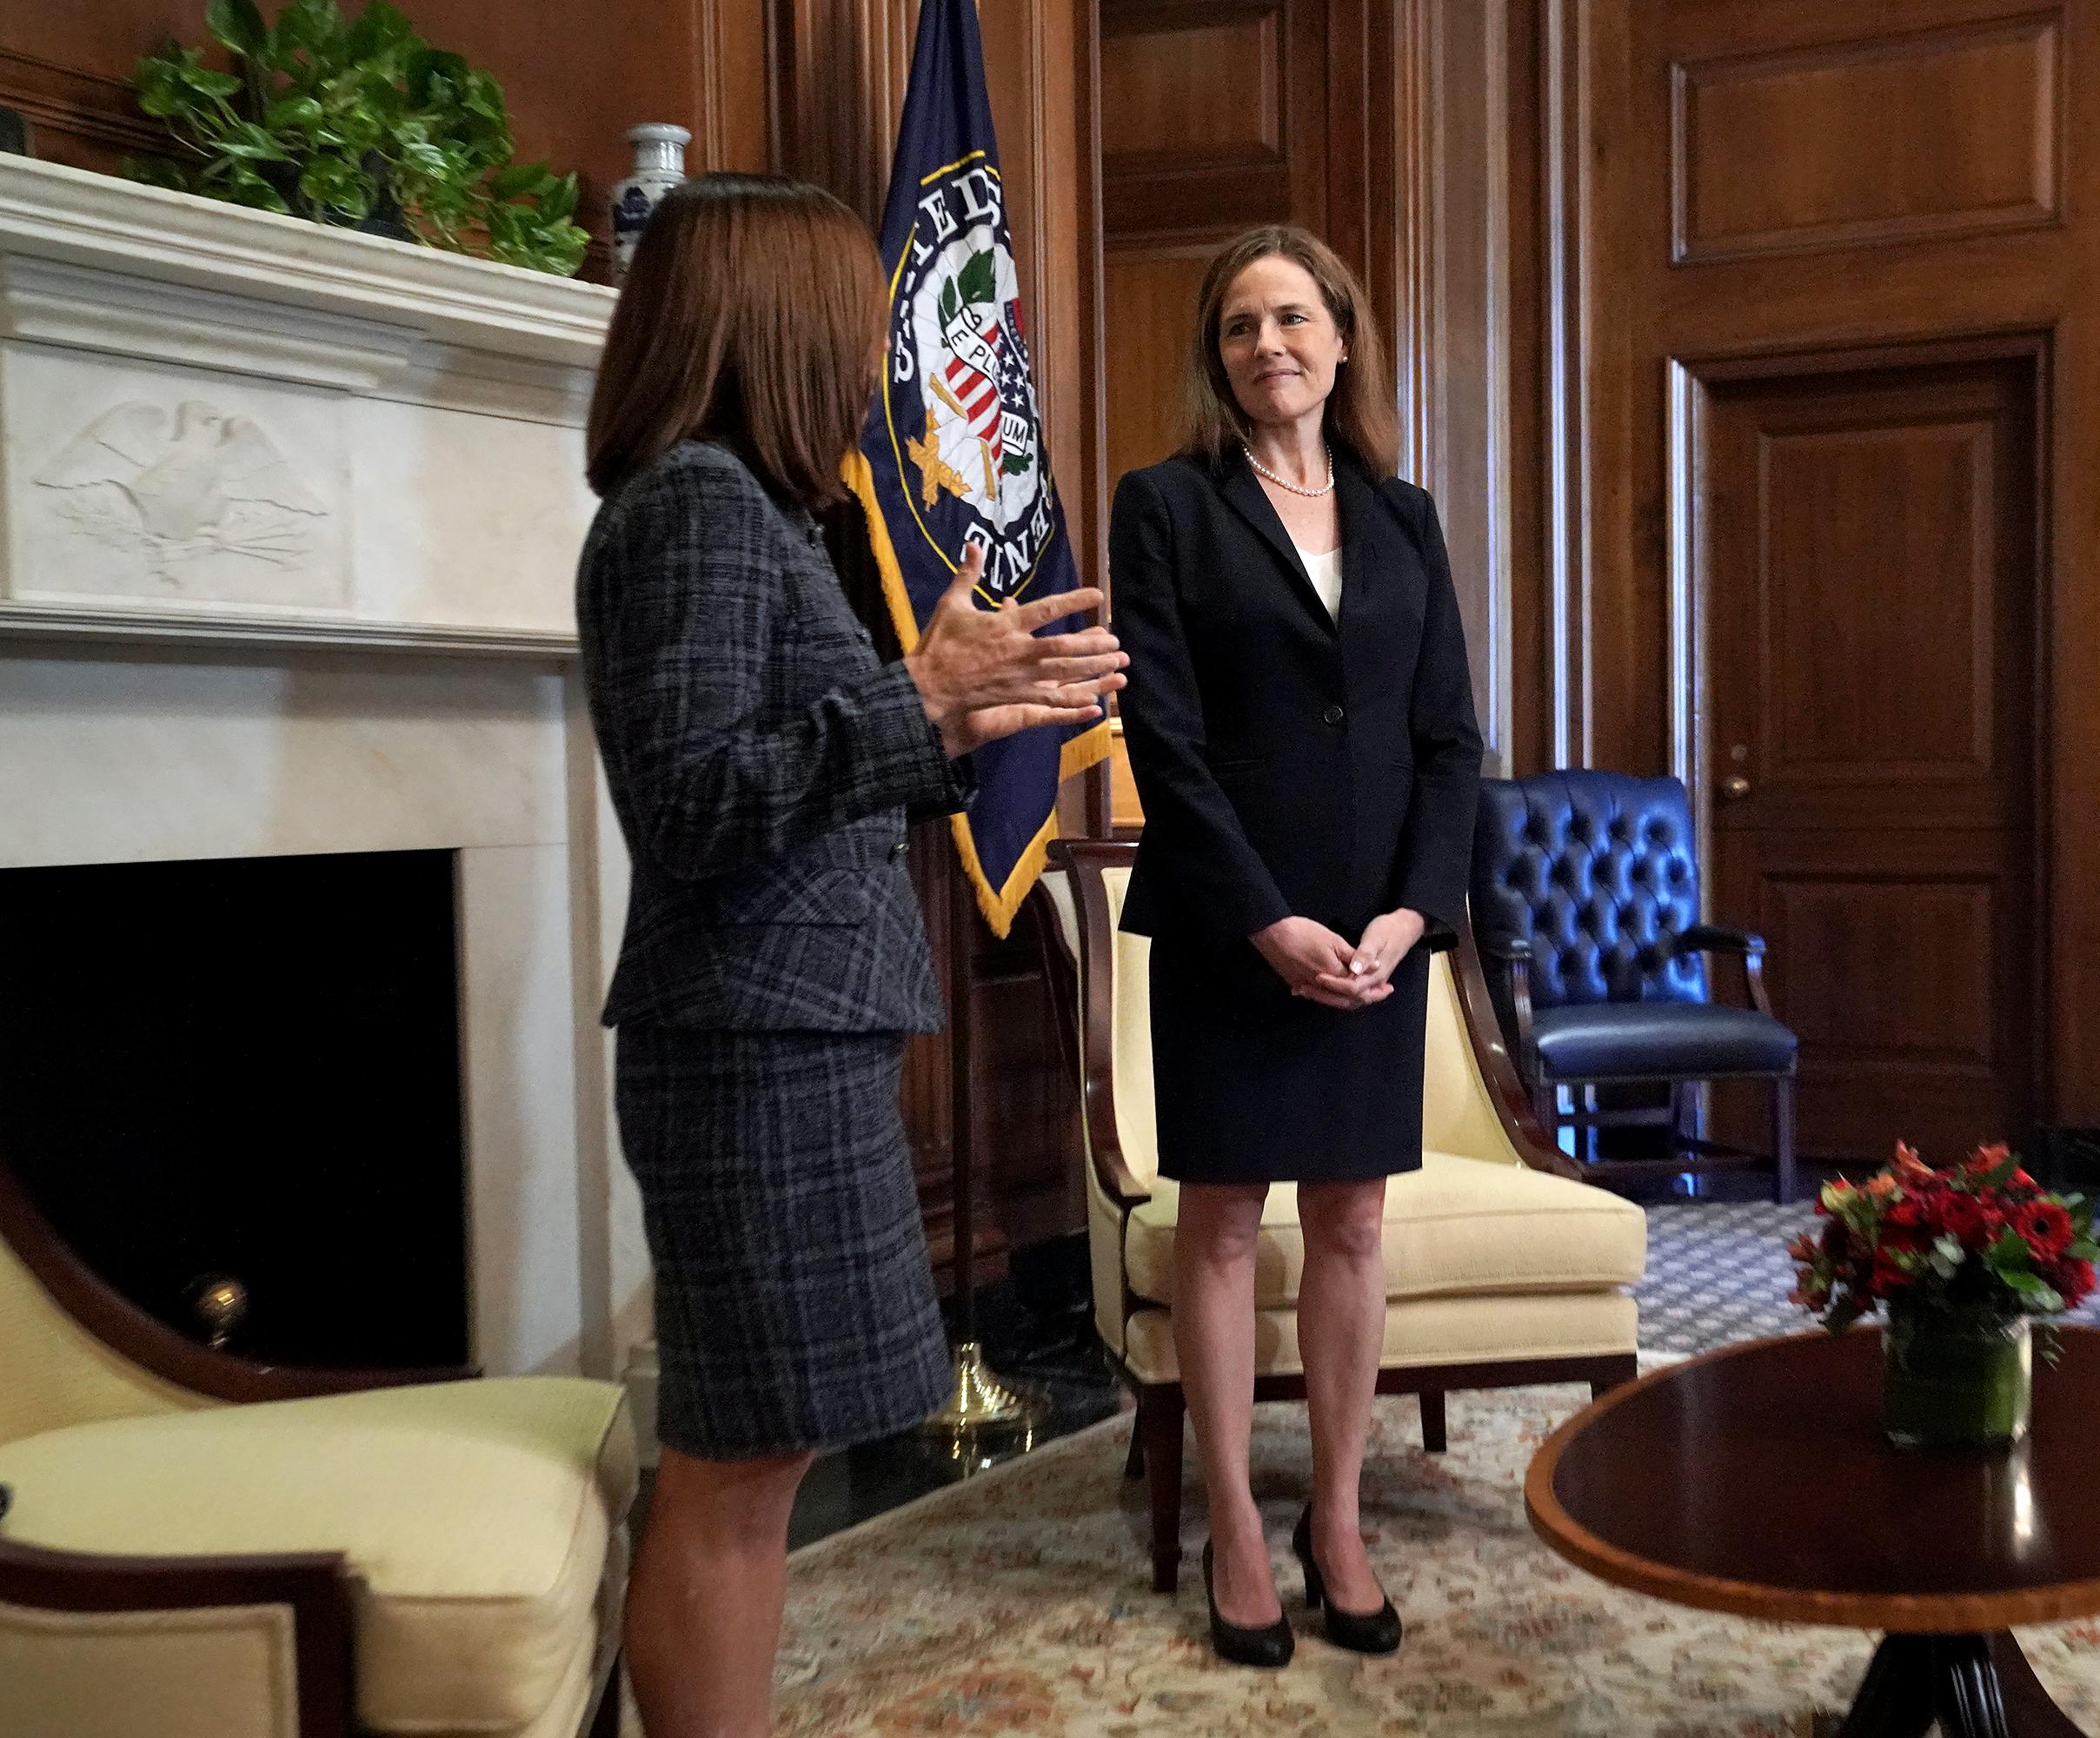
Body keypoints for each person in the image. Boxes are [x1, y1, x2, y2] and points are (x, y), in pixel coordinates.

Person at [576, 174, 1126, 1738]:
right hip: (750, 1050)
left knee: (764, 1450)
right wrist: (918, 706)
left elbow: (788, 759)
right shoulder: (693, 507)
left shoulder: (751, 509)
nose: (881, 345)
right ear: (772, 314)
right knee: (741, 1459)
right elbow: (692, 804)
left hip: (785, 1037)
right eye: (858, 309)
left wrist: (957, 717)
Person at [1106, 224, 1484, 1666]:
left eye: (1292, 320)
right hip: (1230, 926)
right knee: (1218, 1224)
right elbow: (1169, 743)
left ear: (1341, 336)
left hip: (1377, 937)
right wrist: (1267, 921)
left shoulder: (1406, 518)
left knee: (1354, 1221)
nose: (1268, 346)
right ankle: (1238, 1528)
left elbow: (1448, 741)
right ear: (1219, 358)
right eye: (1240, 328)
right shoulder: (1169, 507)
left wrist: (1405, 917)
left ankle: (1335, 1514)